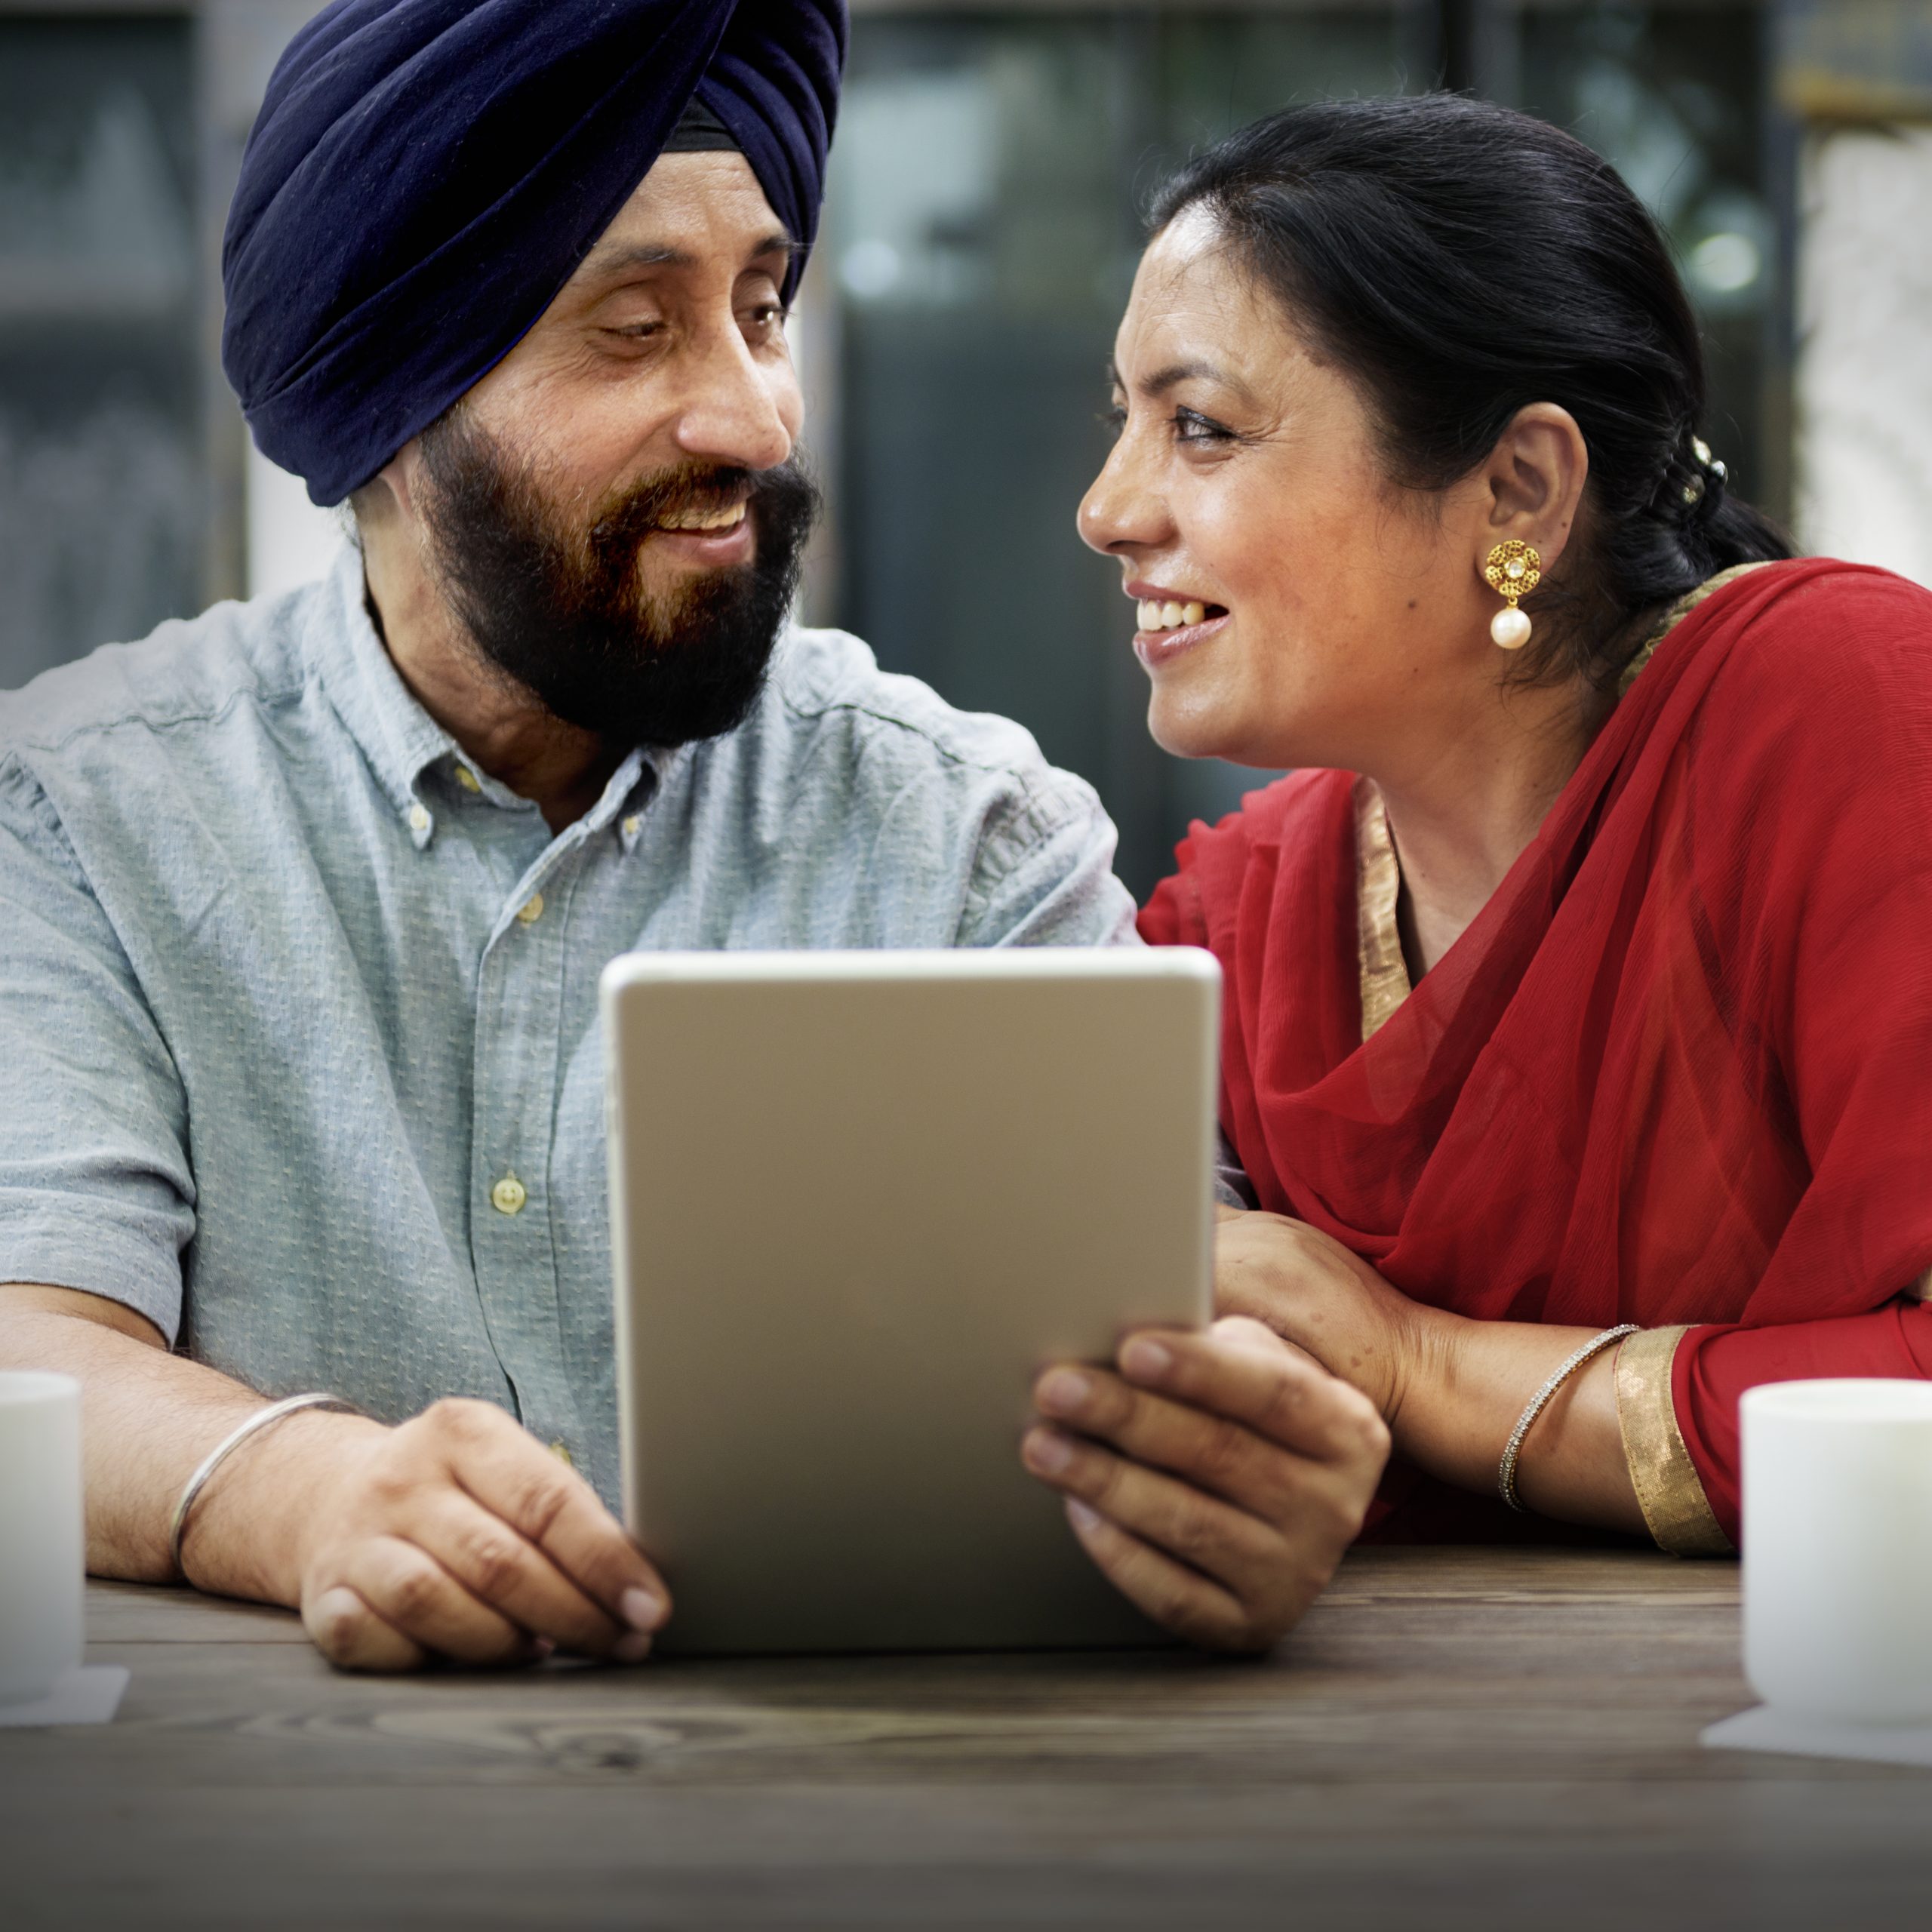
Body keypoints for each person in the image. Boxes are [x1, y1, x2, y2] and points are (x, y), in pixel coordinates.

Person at [0, 0, 1386, 1672]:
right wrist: (307, 1492)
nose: (750, 417)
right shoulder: (82, 807)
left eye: (759, 307)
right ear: (391, 401)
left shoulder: (969, 833)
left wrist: (1232, 1475)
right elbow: (34, 1351)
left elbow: (1174, 1331)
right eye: (631, 327)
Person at [1084, 91, 1932, 1554]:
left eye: (1200, 427)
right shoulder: (1241, 916)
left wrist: (1412, 1361)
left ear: (1518, 490)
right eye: (1125, 426)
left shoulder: (1840, 707)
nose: (1108, 509)